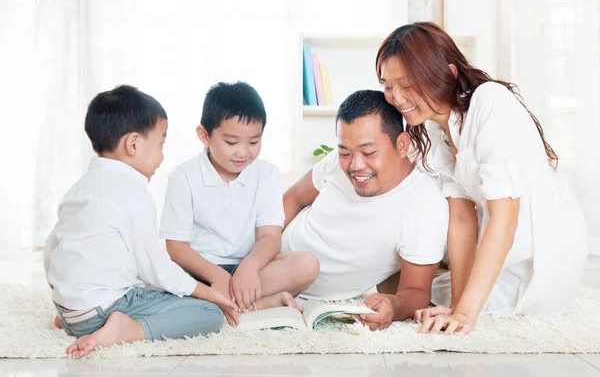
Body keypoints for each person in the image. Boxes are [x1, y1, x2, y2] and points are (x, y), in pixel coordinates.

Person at [376, 22, 587, 334]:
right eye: (387, 85)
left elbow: (505, 218)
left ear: (446, 73)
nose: (395, 97)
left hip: (542, 252)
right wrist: (459, 305)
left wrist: (465, 315)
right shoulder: (436, 132)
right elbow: (461, 219)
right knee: (405, 290)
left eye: (406, 85)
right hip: (506, 245)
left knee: (427, 300)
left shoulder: (490, 101)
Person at [44, 85, 237, 359]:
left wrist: (67, 300)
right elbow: (154, 268)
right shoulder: (133, 194)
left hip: (70, 311)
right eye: (160, 144)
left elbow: (52, 247)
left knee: (148, 289)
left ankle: (75, 321)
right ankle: (126, 329)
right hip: (103, 309)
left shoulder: (79, 189)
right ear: (133, 144)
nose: (162, 155)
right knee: (208, 314)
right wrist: (207, 293)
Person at [282, 89, 449, 330]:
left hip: (303, 292)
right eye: (344, 153)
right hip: (268, 255)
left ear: (402, 145)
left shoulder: (425, 204)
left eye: (369, 152)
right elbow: (293, 199)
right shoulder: (336, 164)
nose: (355, 165)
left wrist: (393, 305)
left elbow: (416, 292)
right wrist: (257, 252)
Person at [160, 81, 319, 326]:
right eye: (232, 143)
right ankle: (256, 305)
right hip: (201, 271)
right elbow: (176, 247)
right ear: (205, 135)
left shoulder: (265, 174)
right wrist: (217, 277)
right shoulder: (183, 177)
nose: (243, 152)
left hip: (249, 270)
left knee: (306, 265)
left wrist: (250, 267)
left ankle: (223, 306)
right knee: (156, 279)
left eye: (254, 142)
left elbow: (269, 236)